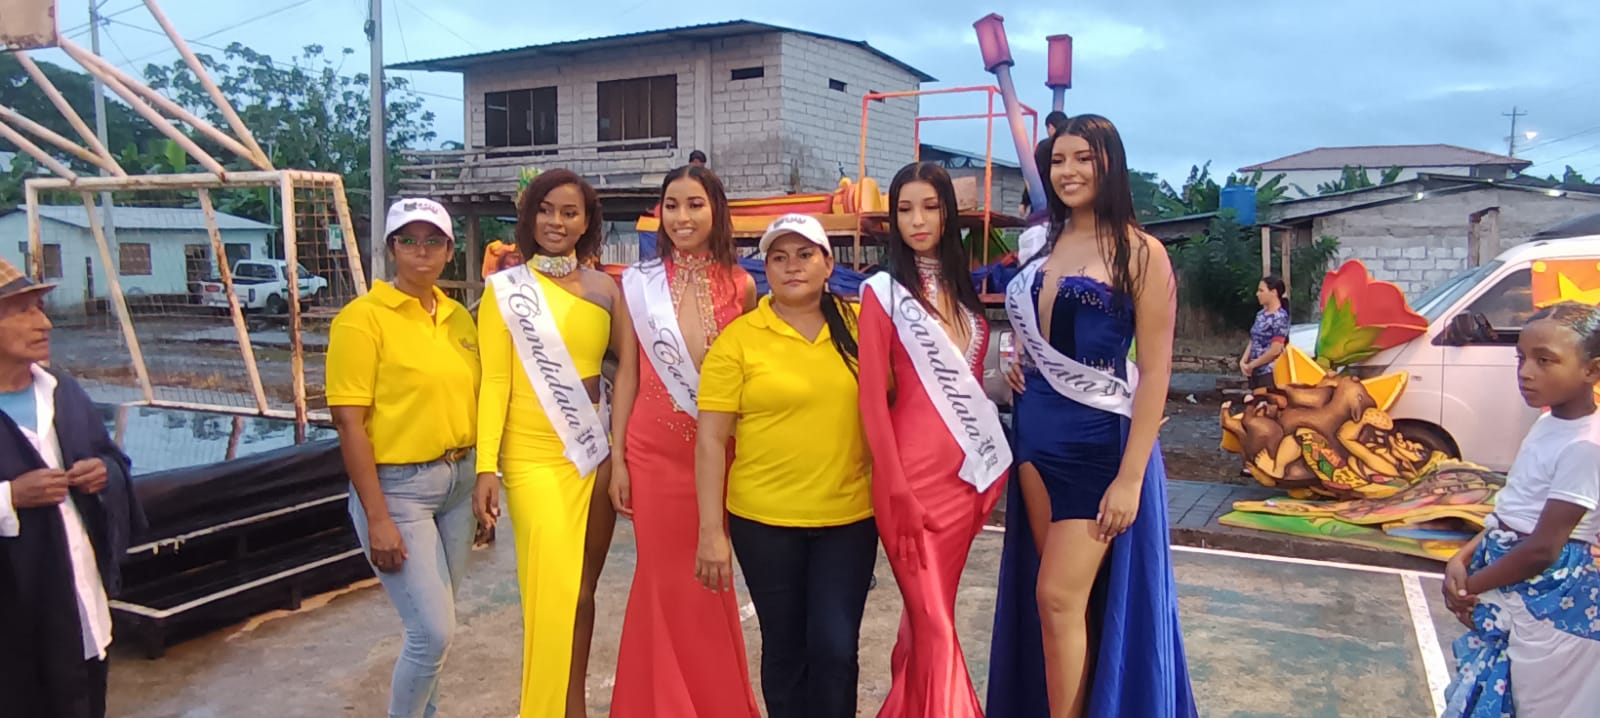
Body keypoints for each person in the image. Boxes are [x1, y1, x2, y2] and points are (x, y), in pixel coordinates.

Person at [989, 114, 1197, 717]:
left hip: (1097, 445)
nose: (1068, 171)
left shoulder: (1142, 252)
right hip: (1035, 439)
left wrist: (1131, 478)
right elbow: (1036, 335)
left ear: (1110, 164)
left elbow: (1155, 372)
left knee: (1057, 598)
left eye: (1083, 158)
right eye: (1058, 160)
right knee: (1063, 603)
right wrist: (1016, 365)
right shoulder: (1045, 246)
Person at [694, 214, 875, 718]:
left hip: (848, 519)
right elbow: (711, 439)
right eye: (779, 257)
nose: (792, 266)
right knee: (785, 649)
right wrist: (711, 532)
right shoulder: (740, 339)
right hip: (764, 522)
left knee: (836, 649)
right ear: (765, 269)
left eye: (805, 254)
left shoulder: (862, 325)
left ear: (828, 264)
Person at [474, 169, 633, 718]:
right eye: (545, 210)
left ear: (587, 223)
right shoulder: (504, 291)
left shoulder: (606, 290)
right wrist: (486, 465)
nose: (556, 222)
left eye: (569, 212)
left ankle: (573, 704)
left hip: (594, 453)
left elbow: (629, 370)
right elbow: (494, 381)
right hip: (532, 458)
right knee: (550, 591)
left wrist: (621, 450)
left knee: (583, 591)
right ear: (529, 216)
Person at [858, 162, 1011, 718]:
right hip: (909, 481)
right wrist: (893, 484)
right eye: (905, 209)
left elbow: (976, 385)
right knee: (936, 626)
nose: (918, 220)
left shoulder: (964, 292)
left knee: (927, 622)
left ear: (948, 214)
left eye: (930, 207)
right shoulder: (881, 294)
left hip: (966, 482)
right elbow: (871, 400)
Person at [608, 165, 761, 717]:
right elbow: (628, 374)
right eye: (671, 205)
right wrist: (618, 458)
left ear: (716, 210)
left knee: (710, 578)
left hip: (717, 455)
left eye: (695, 204)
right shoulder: (638, 283)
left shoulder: (742, 284)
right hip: (651, 452)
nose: (682, 217)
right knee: (660, 579)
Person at [326, 197, 481, 718]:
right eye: (409, 240)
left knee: (441, 628)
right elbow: (349, 422)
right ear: (391, 248)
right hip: (400, 490)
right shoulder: (361, 320)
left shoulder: (458, 318)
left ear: (450, 251)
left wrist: (484, 480)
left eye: (434, 241)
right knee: (431, 632)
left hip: (459, 482)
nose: (422, 251)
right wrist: (377, 518)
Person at [0, 256, 144, 718]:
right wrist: (10, 498)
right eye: (21, 311)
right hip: (14, 636)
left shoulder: (63, 392)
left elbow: (113, 460)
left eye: (40, 308)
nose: (43, 323)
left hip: (82, 615)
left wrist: (102, 474)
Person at [1442, 301, 1600, 718]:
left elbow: (1543, 549)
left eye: (1545, 360)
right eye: (1521, 358)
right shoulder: (1550, 424)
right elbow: (1513, 510)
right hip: (1512, 580)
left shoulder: (1586, 445)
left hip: (1549, 600)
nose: (1526, 372)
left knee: (1537, 702)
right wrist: (1463, 557)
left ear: (1592, 371)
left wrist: (1469, 588)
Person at [1241, 275, 1290, 390]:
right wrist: (1244, 361)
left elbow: (1275, 350)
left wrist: (1252, 365)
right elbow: (1254, 339)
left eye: (1261, 290)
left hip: (1269, 373)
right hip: (1254, 371)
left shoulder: (1279, 317)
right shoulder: (1261, 315)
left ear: (1273, 292)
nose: (1257, 294)